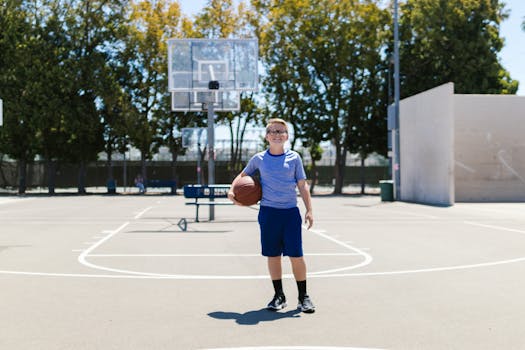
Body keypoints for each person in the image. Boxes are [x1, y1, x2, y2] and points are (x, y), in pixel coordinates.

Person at [228, 118, 315, 313]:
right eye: (273, 131)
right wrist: (232, 191)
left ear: (287, 136)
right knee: (273, 256)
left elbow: (302, 184)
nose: (277, 134)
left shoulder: (295, 158)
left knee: (296, 255)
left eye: (281, 131)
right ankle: (279, 296)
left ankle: (303, 297)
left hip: (290, 213)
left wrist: (309, 209)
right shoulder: (259, 158)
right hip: (268, 213)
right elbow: (242, 176)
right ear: (267, 136)